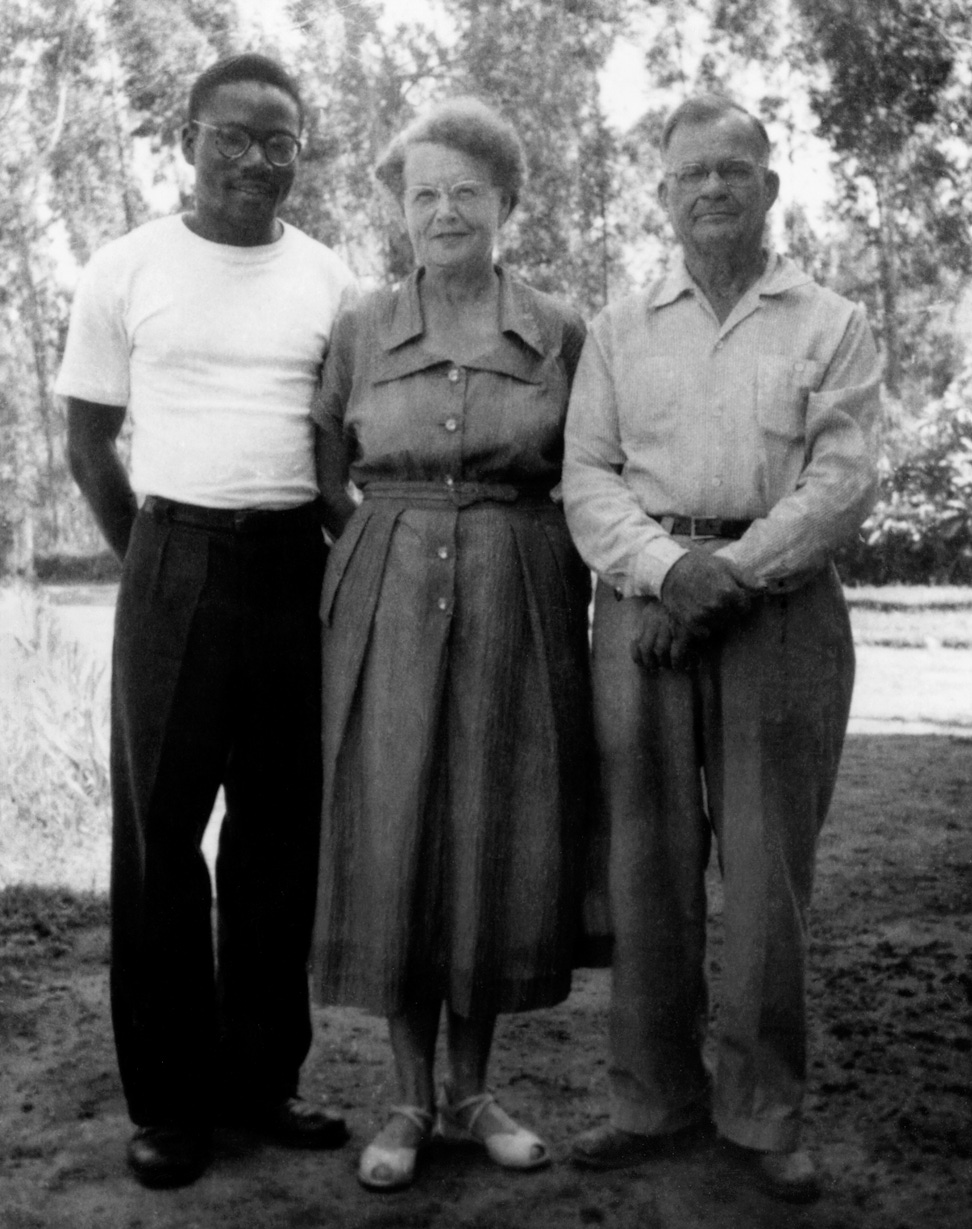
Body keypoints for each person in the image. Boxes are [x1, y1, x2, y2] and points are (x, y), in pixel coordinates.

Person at [562, 94, 881, 1203]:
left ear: (769, 186)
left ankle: (763, 1113)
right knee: (645, 871)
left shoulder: (830, 323)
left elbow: (839, 484)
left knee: (764, 876)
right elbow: (588, 477)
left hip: (777, 618)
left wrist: (720, 579)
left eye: (732, 171)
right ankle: (652, 1101)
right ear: (663, 192)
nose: (711, 189)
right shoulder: (617, 327)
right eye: (690, 173)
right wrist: (664, 571)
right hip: (644, 618)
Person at [55, 53, 356, 1189]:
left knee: (281, 836)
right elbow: (89, 446)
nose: (255, 159)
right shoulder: (128, 266)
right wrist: (155, 562)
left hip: (294, 566)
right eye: (232, 135)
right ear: (188, 138)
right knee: (159, 839)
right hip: (172, 558)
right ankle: (172, 1100)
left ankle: (262, 1079)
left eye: (278, 141)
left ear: (299, 154)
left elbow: (347, 444)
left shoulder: (330, 279)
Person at [311, 97, 594, 1193]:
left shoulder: (562, 329)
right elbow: (324, 459)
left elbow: (592, 465)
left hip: (520, 589)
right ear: (398, 208)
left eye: (466, 193)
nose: (442, 212)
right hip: (382, 585)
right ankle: (405, 1094)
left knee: (493, 825)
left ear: (508, 205)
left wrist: (504, 552)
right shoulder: (359, 324)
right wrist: (385, 549)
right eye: (421, 193)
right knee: (395, 826)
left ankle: (474, 1090)